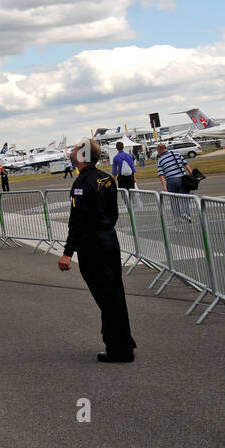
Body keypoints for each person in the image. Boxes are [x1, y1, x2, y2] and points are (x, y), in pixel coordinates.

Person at [58, 139, 136, 363]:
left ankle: (119, 350)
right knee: (115, 292)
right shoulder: (107, 178)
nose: (72, 151)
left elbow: (78, 221)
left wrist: (67, 253)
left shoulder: (82, 183)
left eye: (75, 148)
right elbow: (113, 213)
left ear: (82, 155)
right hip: (109, 239)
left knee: (106, 297)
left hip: (93, 246)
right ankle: (124, 341)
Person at [156, 143, 193, 216]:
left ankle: (177, 216)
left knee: (173, 200)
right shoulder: (177, 154)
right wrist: (192, 176)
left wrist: (164, 186)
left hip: (171, 180)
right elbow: (186, 165)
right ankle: (186, 214)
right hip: (183, 178)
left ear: (159, 150)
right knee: (185, 198)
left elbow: (161, 175)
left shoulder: (160, 160)